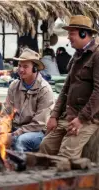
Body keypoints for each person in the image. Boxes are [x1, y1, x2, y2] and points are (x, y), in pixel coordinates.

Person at [39, 15, 99, 159]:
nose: (68, 37)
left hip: (87, 119)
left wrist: (81, 119)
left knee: (66, 155)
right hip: (68, 116)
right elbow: (65, 89)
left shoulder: (97, 56)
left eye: (71, 33)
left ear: (83, 33)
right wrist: (54, 116)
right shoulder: (76, 56)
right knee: (45, 147)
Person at [0, 48, 55, 152]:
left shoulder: (44, 90)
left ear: (35, 69)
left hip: (37, 132)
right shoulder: (14, 86)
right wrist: (4, 129)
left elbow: (39, 124)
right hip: (15, 128)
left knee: (21, 141)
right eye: (19, 66)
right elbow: (7, 112)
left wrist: (14, 134)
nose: (21, 70)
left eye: (25, 66)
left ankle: (20, 166)